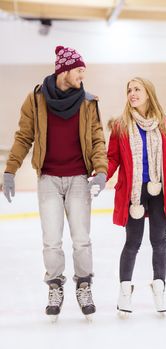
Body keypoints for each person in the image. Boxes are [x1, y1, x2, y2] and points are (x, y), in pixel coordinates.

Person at [2, 45, 107, 322]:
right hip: (48, 177)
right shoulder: (36, 99)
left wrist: (101, 170)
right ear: (65, 70)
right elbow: (24, 136)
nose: (83, 77)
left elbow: (97, 139)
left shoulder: (88, 101)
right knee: (51, 242)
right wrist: (10, 171)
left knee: (82, 240)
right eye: (80, 71)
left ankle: (84, 286)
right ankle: (55, 287)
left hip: (78, 179)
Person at [107, 77, 166, 315]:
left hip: (159, 191)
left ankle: (160, 288)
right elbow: (112, 159)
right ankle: (124, 292)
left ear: (148, 93)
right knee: (132, 242)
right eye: (129, 90)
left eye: (137, 89)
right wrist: (100, 175)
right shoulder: (121, 126)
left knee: (159, 241)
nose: (132, 93)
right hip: (133, 194)